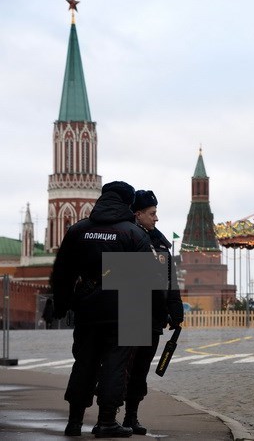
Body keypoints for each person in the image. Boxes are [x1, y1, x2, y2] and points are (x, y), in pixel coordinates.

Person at [51, 181, 153, 438]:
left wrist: (62, 304)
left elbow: (62, 272)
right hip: (123, 310)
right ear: (127, 204)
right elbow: (144, 281)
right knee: (115, 366)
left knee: (83, 363)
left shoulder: (78, 230)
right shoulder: (133, 233)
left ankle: (74, 421)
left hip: (87, 308)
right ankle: (107, 421)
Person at [124, 189, 184, 435]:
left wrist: (175, 310)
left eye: (156, 213)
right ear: (138, 214)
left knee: (140, 370)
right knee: (125, 368)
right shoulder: (128, 238)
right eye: (152, 213)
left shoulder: (159, 242)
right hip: (132, 313)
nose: (156, 218)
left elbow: (170, 280)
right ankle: (111, 417)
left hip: (153, 317)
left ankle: (131, 416)